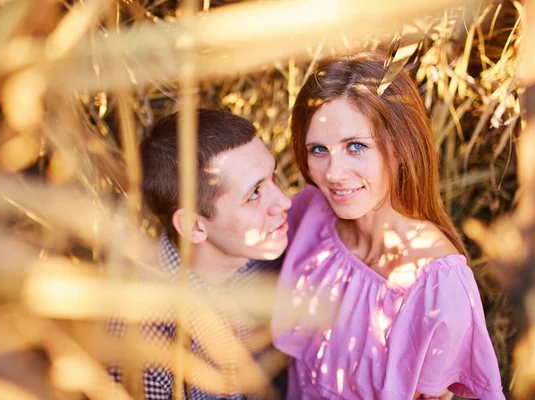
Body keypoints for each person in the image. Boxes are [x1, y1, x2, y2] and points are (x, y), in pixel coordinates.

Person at [270, 53, 505, 399]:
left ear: (401, 146)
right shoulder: (312, 213)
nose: (333, 174)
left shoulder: (438, 285)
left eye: (356, 147)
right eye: (318, 149)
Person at [107, 109, 292, 399]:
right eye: (254, 193)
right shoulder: (143, 340)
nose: (284, 201)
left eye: (273, 178)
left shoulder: (265, 257)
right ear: (195, 226)